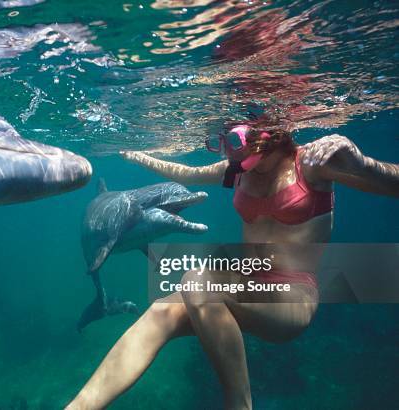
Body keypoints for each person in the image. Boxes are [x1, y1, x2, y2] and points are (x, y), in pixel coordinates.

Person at [65, 121, 399, 410]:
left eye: (233, 140)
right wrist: (136, 155)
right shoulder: (238, 173)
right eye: (221, 142)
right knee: (161, 312)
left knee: (197, 281)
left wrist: (362, 161)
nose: (228, 151)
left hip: (291, 299)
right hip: (244, 292)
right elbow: (187, 173)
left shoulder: (312, 163)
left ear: (265, 134)